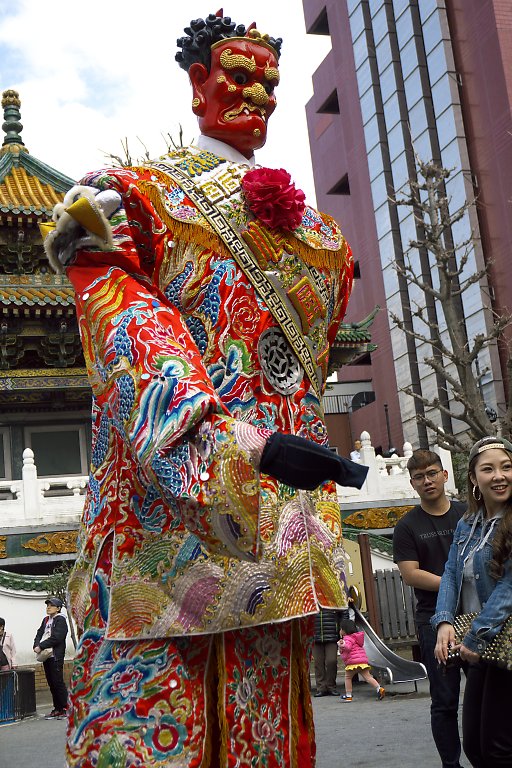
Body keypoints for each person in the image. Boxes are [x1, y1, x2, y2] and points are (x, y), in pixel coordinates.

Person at [41, 11, 367, 766]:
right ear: (197, 82)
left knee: (265, 731)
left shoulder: (323, 239)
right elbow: (124, 318)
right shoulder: (138, 200)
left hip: (275, 532)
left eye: (269, 82)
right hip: (163, 522)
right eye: (239, 75)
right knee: (154, 726)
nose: (257, 93)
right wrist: (233, 444)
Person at [432, 436, 512, 767]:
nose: (500, 475)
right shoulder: (468, 523)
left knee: (498, 748)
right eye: (488, 468)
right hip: (476, 644)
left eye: (507, 467)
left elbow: (509, 585)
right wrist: (444, 621)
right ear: (474, 478)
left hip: (502, 644)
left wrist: (476, 635)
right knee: (476, 747)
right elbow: (451, 573)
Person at [393, 449, 466, 768]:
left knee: (491, 693)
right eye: (420, 477)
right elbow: (410, 574)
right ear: (412, 483)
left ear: (445, 475)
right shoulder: (407, 526)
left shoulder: (467, 514)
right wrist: (456, 585)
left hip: (478, 616)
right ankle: (451, 764)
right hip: (432, 621)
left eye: (432, 473)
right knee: (445, 701)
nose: (427, 481)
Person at [33, 597, 68, 720]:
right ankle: (57, 708)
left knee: (58, 682)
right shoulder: (46, 620)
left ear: (58, 608)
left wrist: (41, 646)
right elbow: (39, 633)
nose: (48, 607)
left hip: (56, 656)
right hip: (46, 656)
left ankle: (66, 708)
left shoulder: (61, 620)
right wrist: (36, 645)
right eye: (47, 605)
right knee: (51, 683)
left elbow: (57, 638)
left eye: (51, 605)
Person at [337, 618, 385, 701]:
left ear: (344, 630)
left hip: (353, 662)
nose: (340, 631)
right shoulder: (356, 638)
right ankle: (379, 688)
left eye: (341, 629)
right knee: (368, 677)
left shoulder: (347, 638)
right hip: (362, 661)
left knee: (348, 677)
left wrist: (342, 645)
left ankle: (348, 695)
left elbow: (347, 648)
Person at [313, 608, 342, 697]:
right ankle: (321, 688)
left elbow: (343, 611)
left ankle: (331, 686)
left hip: (332, 633)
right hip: (315, 634)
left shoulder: (332, 596)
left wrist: (342, 628)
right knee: (318, 662)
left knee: (331, 661)